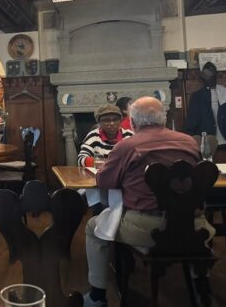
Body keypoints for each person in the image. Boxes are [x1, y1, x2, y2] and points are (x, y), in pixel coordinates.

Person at [83, 97, 215, 307]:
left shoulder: (126, 146)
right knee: (189, 230)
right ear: (163, 119)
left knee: (93, 227)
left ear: (132, 123)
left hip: (146, 229)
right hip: (195, 226)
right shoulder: (189, 142)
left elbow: (105, 181)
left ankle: (97, 296)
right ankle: (201, 285)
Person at [185, 61, 226, 162]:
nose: (208, 77)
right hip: (206, 145)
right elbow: (192, 122)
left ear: (216, 75)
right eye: (206, 75)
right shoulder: (197, 97)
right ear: (202, 76)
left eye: (210, 74)